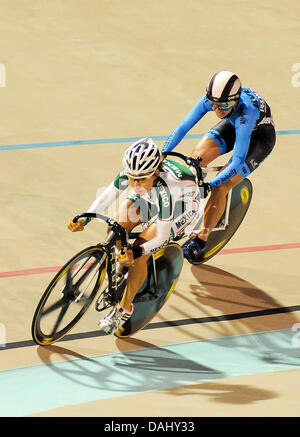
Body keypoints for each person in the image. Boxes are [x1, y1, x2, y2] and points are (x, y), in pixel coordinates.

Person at [68, 137, 201, 334]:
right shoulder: (134, 172)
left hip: (181, 206)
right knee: (115, 228)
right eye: (131, 178)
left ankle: (124, 308)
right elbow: (106, 196)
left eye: (141, 179)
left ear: (155, 173)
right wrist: (85, 218)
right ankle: (125, 268)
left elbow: (162, 237)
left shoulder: (166, 188)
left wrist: (136, 252)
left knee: (139, 255)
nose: (135, 183)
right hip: (150, 197)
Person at [162, 70, 276, 264]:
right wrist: (162, 153)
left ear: (236, 99)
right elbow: (183, 127)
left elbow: (238, 160)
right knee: (193, 161)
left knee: (220, 187)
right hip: (233, 125)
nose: (217, 110)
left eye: (223, 105)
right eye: (214, 104)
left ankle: (201, 240)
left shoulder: (247, 111)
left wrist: (210, 184)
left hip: (258, 139)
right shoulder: (216, 100)